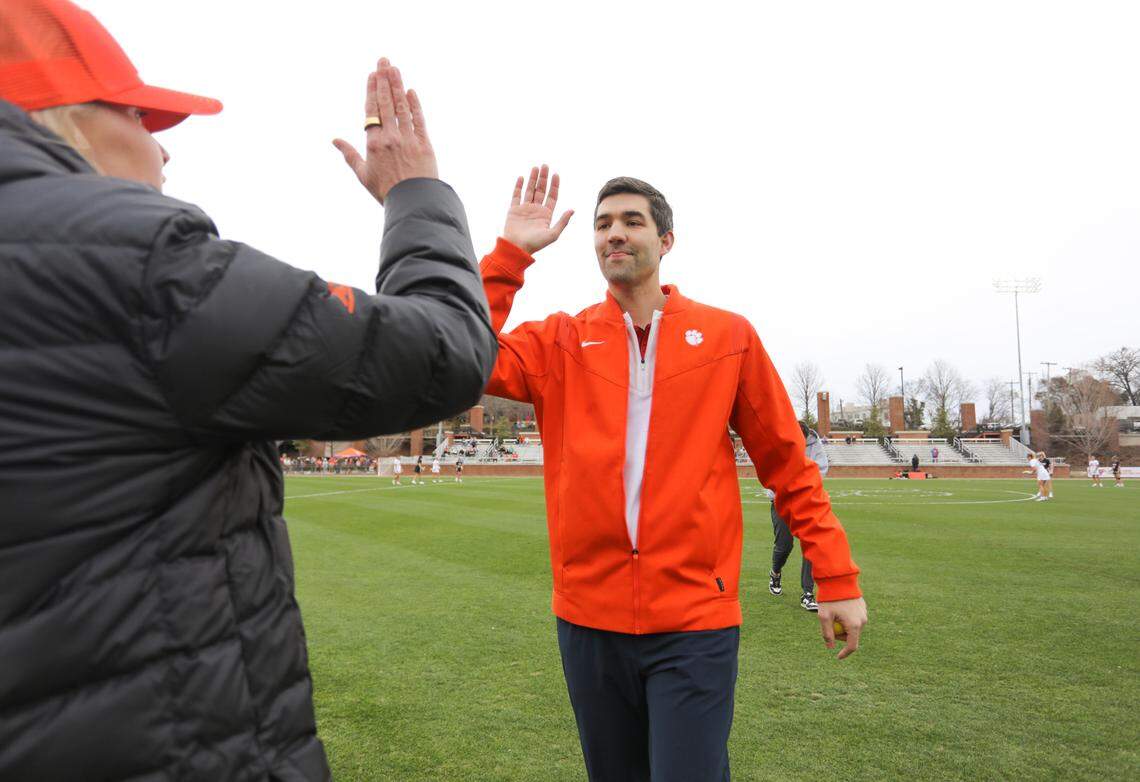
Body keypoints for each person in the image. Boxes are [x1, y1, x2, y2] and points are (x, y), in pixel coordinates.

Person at [0, 2, 496, 779]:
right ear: (64, 119)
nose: (162, 148)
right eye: (137, 113)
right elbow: (446, 352)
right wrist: (417, 195)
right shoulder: (141, 265)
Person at [480, 167, 866, 781]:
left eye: (632, 221)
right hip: (589, 619)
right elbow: (452, 353)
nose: (615, 234)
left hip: (694, 621)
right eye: (604, 223)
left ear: (666, 241)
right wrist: (509, 257)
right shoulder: (560, 340)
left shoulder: (726, 336)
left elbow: (787, 464)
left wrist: (837, 575)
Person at [768, 422, 830, 611]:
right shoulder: (779, 445)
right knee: (784, 546)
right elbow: (771, 473)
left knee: (810, 543)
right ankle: (775, 572)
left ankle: (808, 593)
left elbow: (821, 470)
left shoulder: (814, 445)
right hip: (781, 501)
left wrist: (803, 486)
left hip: (805, 501)